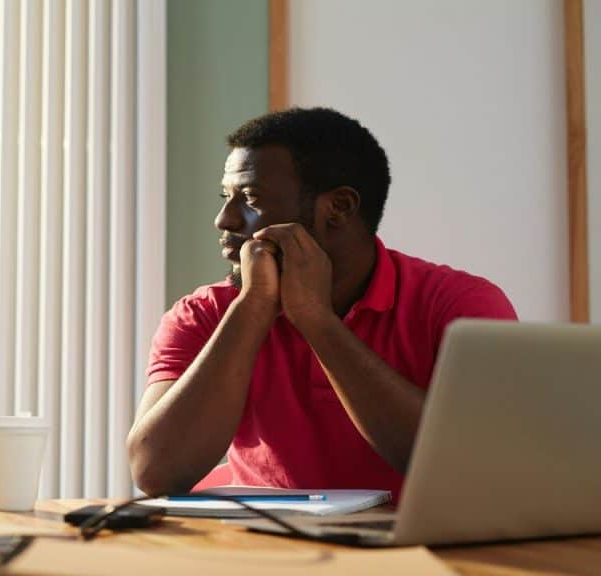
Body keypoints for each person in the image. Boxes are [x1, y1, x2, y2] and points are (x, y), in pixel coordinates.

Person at [127, 107, 517, 499]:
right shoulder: (203, 313)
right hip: (264, 550)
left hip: (422, 548)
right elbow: (155, 472)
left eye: (250, 199)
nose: (224, 220)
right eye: (226, 197)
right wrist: (252, 308)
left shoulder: (460, 305)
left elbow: (470, 469)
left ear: (339, 208)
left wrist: (316, 319)